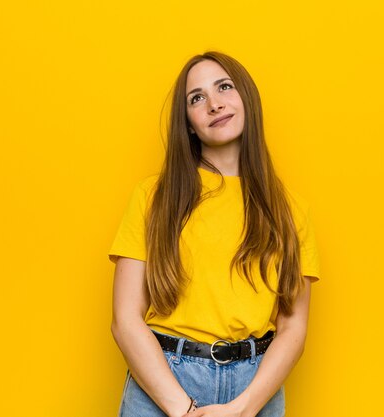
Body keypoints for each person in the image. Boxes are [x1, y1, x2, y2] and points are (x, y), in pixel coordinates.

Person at [108, 51, 320, 417]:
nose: (214, 104)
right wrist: (183, 409)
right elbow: (125, 318)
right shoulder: (152, 197)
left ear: (247, 100)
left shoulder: (290, 210)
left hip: (255, 388)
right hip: (164, 383)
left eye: (224, 87)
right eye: (197, 97)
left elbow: (293, 327)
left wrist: (243, 408)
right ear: (188, 123)